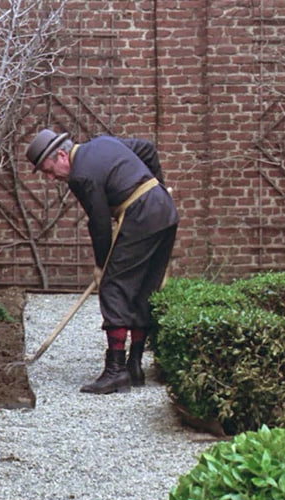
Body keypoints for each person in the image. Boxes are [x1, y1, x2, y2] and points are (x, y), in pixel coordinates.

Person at [26, 128, 179, 394]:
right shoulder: (103, 143)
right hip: (164, 210)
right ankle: (134, 366)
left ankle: (116, 371)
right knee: (144, 286)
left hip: (142, 215)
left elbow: (99, 224)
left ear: (62, 154)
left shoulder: (80, 175)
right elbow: (147, 148)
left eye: (48, 169)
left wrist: (102, 267)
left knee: (114, 288)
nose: (51, 178)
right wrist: (159, 188)